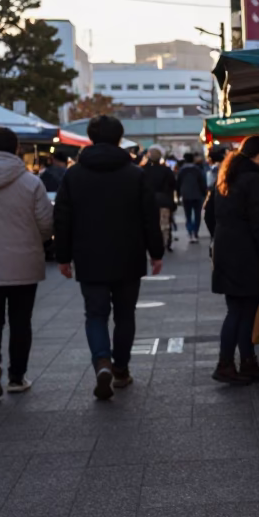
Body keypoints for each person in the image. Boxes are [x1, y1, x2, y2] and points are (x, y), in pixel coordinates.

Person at [54, 115, 163, 400]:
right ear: (119, 138)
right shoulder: (135, 174)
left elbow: (62, 218)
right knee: (125, 314)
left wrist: (63, 256)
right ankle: (121, 369)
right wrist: (156, 252)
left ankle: (102, 360)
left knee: (96, 313)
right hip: (129, 254)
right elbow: (149, 218)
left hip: (89, 256)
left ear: (90, 137)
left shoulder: (74, 174)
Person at [0, 127, 54, 398]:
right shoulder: (30, 182)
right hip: (23, 262)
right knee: (21, 321)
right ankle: (17, 377)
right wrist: (38, 241)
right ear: (16, 148)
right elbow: (46, 223)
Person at [203, 135, 259, 385]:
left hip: (226, 250)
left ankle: (247, 362)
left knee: (242, 310)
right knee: (240, 311)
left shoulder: (227, 176)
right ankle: (225, 365)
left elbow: (208, 212)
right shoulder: (255, 180)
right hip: (246, 253)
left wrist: (220, 236)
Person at [141, 147, 177, 253]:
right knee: (164, 224)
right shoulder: (166, 170)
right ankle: (165, 243)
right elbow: (173, 185)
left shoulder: (143, 170)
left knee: (150, 223)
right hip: (164, 201)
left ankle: (151, 244)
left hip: (148, 202)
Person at [176, 152, 207, 244]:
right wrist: (204, 193)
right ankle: (195, 233)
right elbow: (202, 183)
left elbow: (178, 184)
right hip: (197, 195)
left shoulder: (181, 170)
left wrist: (178, 195)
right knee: (197, 215)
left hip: (186, 195)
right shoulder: (197, 170)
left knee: (188, 215)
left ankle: (190, 233)